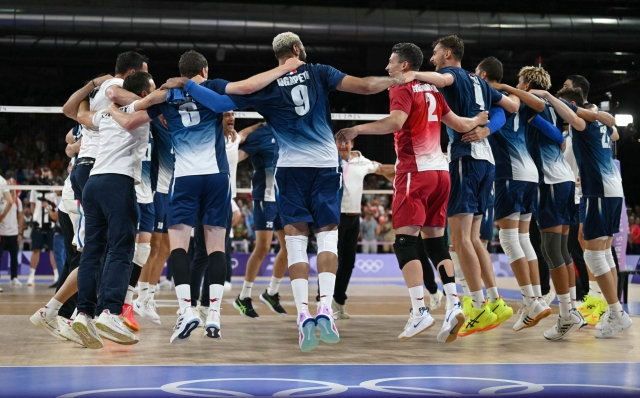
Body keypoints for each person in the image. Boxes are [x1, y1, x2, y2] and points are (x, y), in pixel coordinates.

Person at [165, 32, 408, 352]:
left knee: (293, 241)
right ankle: (325, 308)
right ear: (296, 50)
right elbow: (364, 86)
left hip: (290, 169)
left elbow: (221, 102)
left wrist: (188, 85)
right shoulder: (320, 71)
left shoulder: (265, 84)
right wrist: (397, 79)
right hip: (323, 166)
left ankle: (303, 315)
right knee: (327, 237)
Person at [109, 50, 304, 344]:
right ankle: (213, 315)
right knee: (216, 247)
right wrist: (285, 68)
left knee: (179, 246)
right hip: (217, 178)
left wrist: (110, 108)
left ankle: (187, 311)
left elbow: (131, 117)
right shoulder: (212, 89)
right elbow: (248, 87)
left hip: (185, 177)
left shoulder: (168, 95)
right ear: (204, 70)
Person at [337, 42, 487, 343]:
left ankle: (419, 311)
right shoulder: (433, 91)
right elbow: (459, 124)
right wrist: (480, 122)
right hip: (441, 173)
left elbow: (396, 122)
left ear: (404, 65)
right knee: (436, 245)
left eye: (391, 62)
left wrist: (357, 130)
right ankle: (454, 303)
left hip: (414, 173)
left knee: (405, 241)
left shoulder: (401, 88)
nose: (387, 68)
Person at [408, 36, 519, 337]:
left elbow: (441, 78)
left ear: (447, 54)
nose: (431, 58)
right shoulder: (479, 81)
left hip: (464, 158)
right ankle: (495, 301)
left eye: (433, 53)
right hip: (487, 161)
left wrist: (412, 74)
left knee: (459, 239)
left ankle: (479, 306)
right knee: (473, 238)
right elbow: (510, 105)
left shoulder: (454, 74)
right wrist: (486, 127)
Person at [71, 71, 160, 349]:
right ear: (145, 93)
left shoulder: (106, 114)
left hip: (93, 184)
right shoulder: (141, 108)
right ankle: (110, 311)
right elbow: (159, 98)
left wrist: (89, 94)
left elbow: (78, 115)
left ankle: (84, 312)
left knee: (93, 251)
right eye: (152, 87)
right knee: (122, 249)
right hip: (117, 183)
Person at [555, 86, 632, 338]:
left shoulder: (581, 122)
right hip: (611, 188)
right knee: (604, 253)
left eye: (564, 106)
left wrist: (547, 98)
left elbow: (576, 117)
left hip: (598, 190)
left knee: (593, 255)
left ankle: (616, 312)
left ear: (574, 104)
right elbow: (615, 134)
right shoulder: (599, 122)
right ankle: (615, 311)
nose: (561, 112)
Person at [233, 122, 289, 317]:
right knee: (263, 246)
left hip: (286, 198)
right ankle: (244, 296)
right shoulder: (260, 134)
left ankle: (271, 293)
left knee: (289, 246)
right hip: (265, 197)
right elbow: (238, 157)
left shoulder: (289, 129)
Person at [331, 136, 383, 318]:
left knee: (348, 262)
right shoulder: (328, 158)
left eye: (346, 142)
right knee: (330, 260)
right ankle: (324, 303)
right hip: (334, 217)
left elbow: (382, 169)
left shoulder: (362, 162)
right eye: (339, 141)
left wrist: (407, 167)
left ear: (352, 144)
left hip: (354, 218)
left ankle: (338, 302)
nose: (343, 145)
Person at [26, 167, 59, 286]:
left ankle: (57, 276)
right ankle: (31, 277)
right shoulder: (35, 189)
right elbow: (32, 207)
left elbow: (55, 208)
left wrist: (48, 207)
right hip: (38, 225)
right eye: (44, 174)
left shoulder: (54, 190)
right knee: (35, 250)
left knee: (53, 251)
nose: (45, 176)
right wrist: (36, 218)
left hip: (50, 225)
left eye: (47, 174)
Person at [0, 175, 21, 287]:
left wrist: (20, 232)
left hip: (13, 232)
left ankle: (14, 278)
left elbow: (20, 217)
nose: (11, 183)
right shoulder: (1, 197)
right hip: (2, 232)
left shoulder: (17, 201)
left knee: (14, 257)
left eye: (13, 182)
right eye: (9, 181)